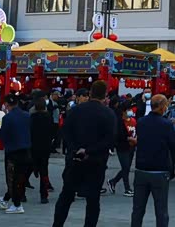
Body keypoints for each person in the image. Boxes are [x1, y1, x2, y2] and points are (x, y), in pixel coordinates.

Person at [52, 80, 116, 227]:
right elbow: (110, 140)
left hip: (75, 160)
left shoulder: (76, 110)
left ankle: (57, 224)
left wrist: (76, 150)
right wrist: (90, 151)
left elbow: (66, 133)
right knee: (93, 201)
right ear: (105, 95)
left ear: (90, 93)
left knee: (66, 196)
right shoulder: (108, 113)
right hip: (96, 162)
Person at [131, 94, 175, 227]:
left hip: (141, 168)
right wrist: (173, 165)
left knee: (138, 209)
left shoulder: (141, 122)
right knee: (161, 209)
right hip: (159, 169)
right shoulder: (166, 124)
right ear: (162, 106)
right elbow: (173, 146)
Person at [0, 93, 32, 214]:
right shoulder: (27, 115)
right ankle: (8, 199)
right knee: (20, 177)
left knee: (12, 179)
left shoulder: (7, 118)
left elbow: (2, 135)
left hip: (13, 151)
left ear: (6, 104)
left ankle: (17, 204)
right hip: (26, 150)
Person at [107, 101, 137, 197]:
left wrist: (135, 139)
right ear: (123, 111)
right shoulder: (119, 122)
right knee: (125, 167)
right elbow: (118, 136)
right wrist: (129, 139)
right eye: (128, 109)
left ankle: (113, 181)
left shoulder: (133, 120)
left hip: (132, 147)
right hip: (122, 147)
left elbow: (135, 131)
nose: (131, 111)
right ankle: (127, 188)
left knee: (126, 167)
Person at [30, 98, 53, 203]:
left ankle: (21, 194)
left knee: (28, 167)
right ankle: (44, 195)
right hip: (45, 146)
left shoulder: (32, 117)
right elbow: (52, 131)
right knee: (44, 169)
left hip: (34, 145)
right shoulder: (48, 117)